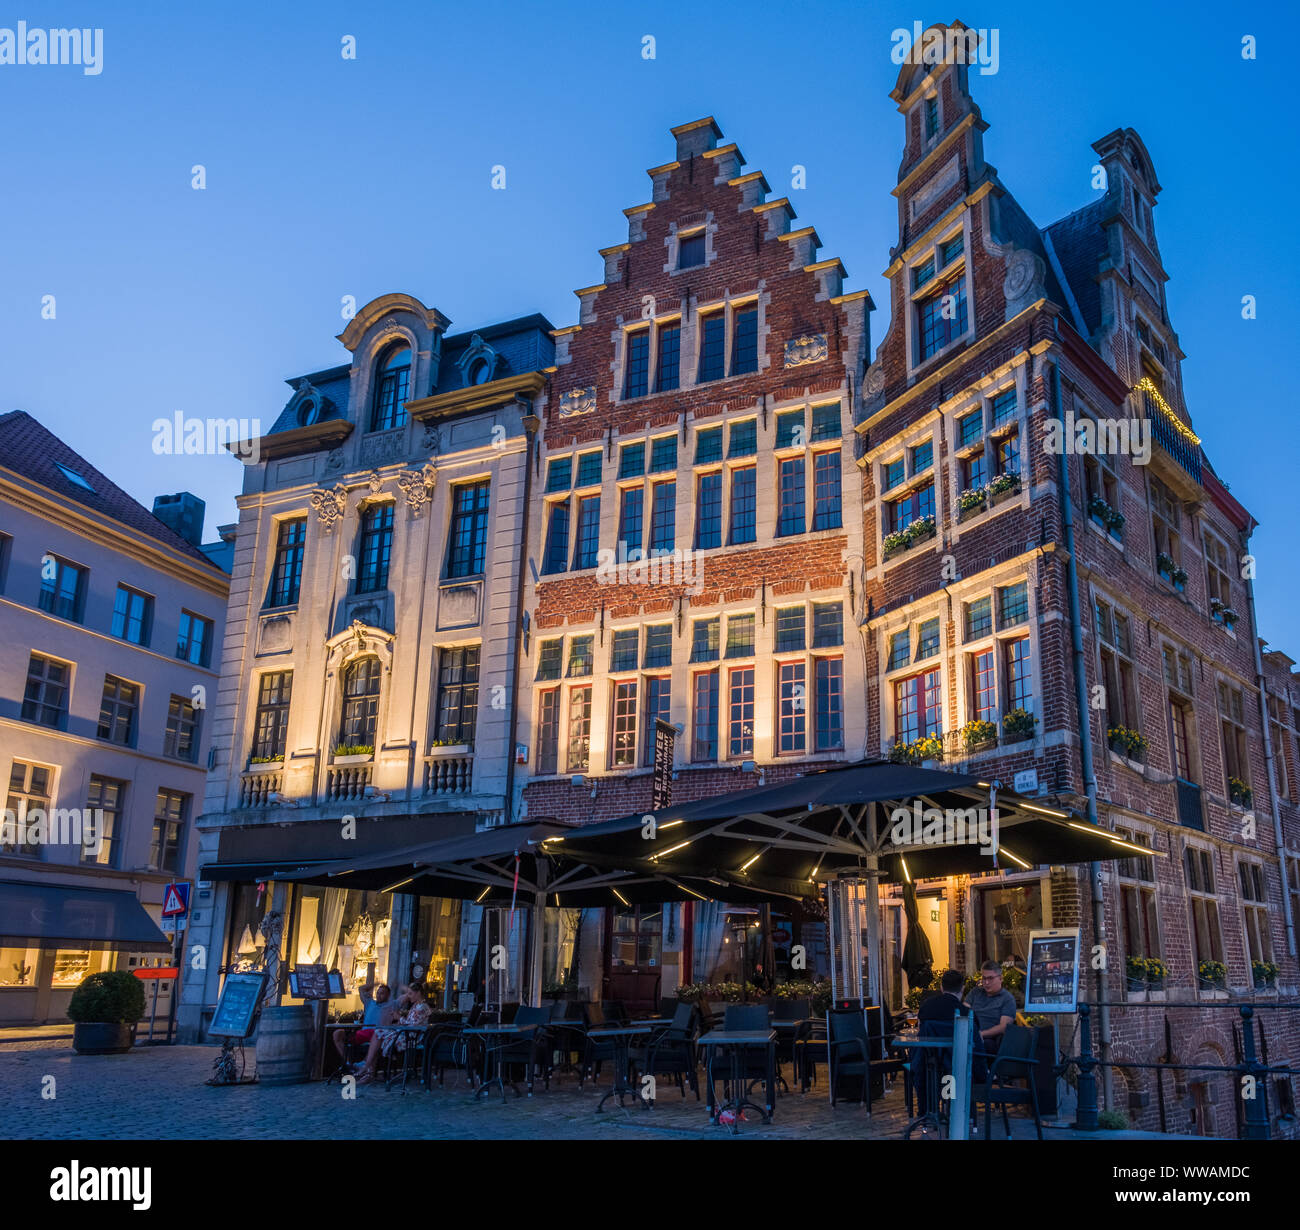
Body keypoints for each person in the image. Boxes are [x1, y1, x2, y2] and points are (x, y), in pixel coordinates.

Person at [355, 981, 430, 1085]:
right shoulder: (416, 1006)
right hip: (406, 1035)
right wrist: (398, 1023)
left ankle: (367, 1067)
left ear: (418, 993)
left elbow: (413, 1026)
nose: (408, 996)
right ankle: (368, 1070)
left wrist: (399, 1018)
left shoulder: (421, 1007)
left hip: (410, 1039)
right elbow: (411, 1023)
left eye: (411, 994)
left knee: (377, 1034)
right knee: (378, 1035)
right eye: (408, 994)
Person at [965, 961, 1016, 1056]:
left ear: (1000, 978)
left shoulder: (1007, 999)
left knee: (980, 1046)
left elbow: (1004, 1027)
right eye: (984, 978)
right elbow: (963, 1012)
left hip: (990, 1040)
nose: (986, 982)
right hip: (969, 1034)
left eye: (990, 978)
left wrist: (981, 1034)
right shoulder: (975, 992)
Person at [333, 983, 390, 1066]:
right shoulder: (370, 1003)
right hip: (362, 1034)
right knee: (337, 1034)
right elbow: (361, 989)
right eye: (378, 993)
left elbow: (406, 997)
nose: (379, 995)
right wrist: (376, 983)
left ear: (388, 996)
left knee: (376, 1036)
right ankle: (348, 1063)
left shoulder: (392, 1005)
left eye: (382, 993)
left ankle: (364, 1065)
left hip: (377, 1034)